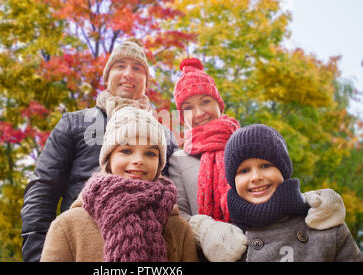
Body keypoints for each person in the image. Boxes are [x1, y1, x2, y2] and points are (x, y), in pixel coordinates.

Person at [168, 57, 347, 262]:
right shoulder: (178, 159)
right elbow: (178, 214)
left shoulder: (247, 142)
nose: (198, 113)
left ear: (218, 103)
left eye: (205, 101)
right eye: (188, 108)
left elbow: (278, 185)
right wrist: (207, 230)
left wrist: (313, 203)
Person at [21, 38, 179, 261]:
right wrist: (40, 255)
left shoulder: (165, 136)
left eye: (137, 68)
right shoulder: (74, 124)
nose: (128, 74)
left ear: (146, 81)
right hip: (83, 246)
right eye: (120, 66)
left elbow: (177, 201)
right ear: (107, 76)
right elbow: (42, 189)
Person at [40, 107, 198, 262]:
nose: (139, 160)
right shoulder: (68, 226)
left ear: (159, 164)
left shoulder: (179, 228)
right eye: (126, 151)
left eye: (150, 153)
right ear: (109, 159)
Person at [224, 124, 362, 261]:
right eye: (244, 171)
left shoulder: (325, 224)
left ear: (283, 170)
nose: (255, 177)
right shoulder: (224, 241)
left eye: (265, 166)